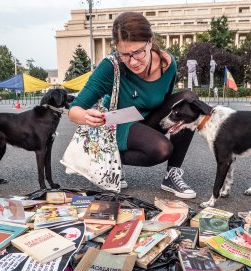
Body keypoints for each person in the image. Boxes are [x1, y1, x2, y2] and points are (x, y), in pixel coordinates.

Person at [68, 12, 196, 199]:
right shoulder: (110, 66)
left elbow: (165, 101)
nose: (133, 61)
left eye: (137, 52)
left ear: (150, 41)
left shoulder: (167, 64)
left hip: (146, 118)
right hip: (118, 122)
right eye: (125, 54)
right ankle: (109, 161)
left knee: (188, 103)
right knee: (162, 149)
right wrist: (86, 116)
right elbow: (74, 109)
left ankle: (172, 174)